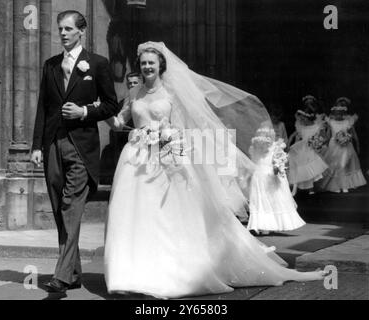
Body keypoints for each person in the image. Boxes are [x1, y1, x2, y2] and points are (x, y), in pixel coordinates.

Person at [104, 41, 325, 299]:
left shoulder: (172, 93)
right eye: (143, 63)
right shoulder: (135, 94)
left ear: (160, 65)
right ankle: (132, 274)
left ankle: (165, 274)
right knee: (135, 216)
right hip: (136, 160)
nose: (147, 67)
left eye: (151, 63)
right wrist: (102, 111)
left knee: (165, 216)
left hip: (166, 157)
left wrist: (170, 144)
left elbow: (185, 127)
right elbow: (120, 122)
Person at [31, 10, 120, 293]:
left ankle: (61, 275)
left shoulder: (98, 64)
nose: (63, 34)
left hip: (82, 147)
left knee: (71, 207)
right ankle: (74, 272)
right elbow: (43, 108)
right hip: (53, 144)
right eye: (60, 29)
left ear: (81, 31)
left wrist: (84, 111)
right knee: (60, 207)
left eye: (69, 29)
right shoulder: (50, 65)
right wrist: (36, 146)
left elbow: (110, 106)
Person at [247, 127, 305, 236]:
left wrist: (279, 167)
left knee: (263, 201)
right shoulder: (274, 146)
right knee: (268, 200)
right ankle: (265, 225)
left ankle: (264, 226)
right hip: (265, 175)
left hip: (262, 175)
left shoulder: (256, 146)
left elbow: (256, 160)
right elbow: (280, 160)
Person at [318, 97, 367, 193]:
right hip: (333, 146)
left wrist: (355, 143)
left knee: (344, 165)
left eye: (340, 113)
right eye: (336, 113)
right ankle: (336, 186)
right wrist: (321, 144)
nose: (338, 115)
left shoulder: (347, 122)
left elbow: (353, 134)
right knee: (334, 165)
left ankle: (344, 185)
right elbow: (327, 136)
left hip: (345, 146)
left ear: (343, 114)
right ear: (333, 114)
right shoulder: (331, 122)